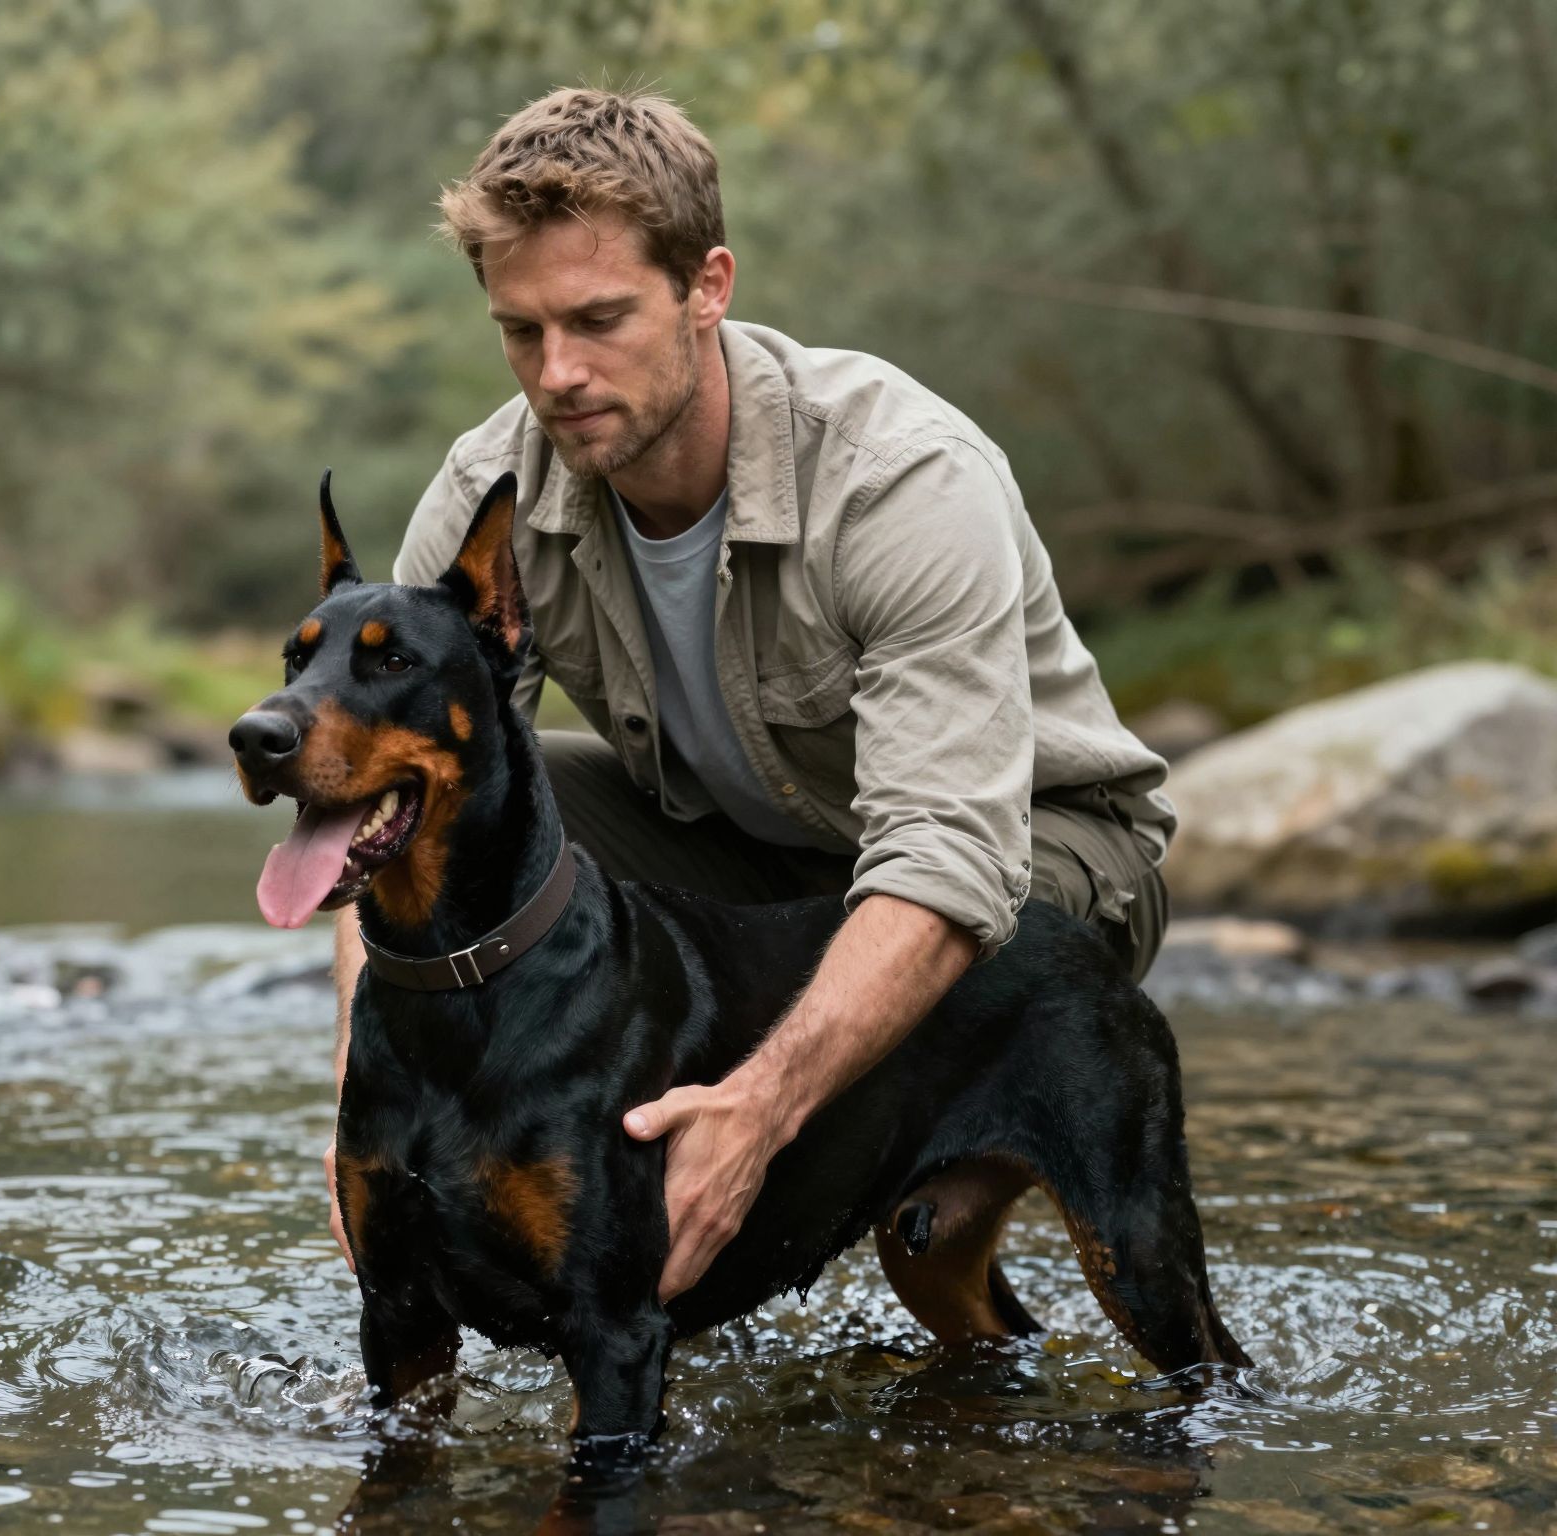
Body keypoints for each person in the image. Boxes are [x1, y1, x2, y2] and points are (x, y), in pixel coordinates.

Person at [324, 86, 1174, 1307]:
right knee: (474, 784)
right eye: (520, 331)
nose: (556, 375)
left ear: (706, 286)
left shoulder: (902, 480)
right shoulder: (491, 488)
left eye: (598, 319)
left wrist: (755, 1116)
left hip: (1034, 865)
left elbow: (944, 859)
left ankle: (911, 1177)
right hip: (756, 865)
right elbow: (379, 783)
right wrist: (374, 1103)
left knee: (914, 1247)